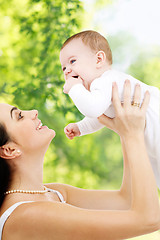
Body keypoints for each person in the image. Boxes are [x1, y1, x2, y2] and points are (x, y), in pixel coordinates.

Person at [0, 81, 159, 239]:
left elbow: (126, 202)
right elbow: (148, 220)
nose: (33, 112)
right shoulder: (27, 215)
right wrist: (133, 135)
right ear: (9, 150)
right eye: (19, 116)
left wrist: (125, 131)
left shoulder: (53, 193)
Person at [60, 30, 160, 189]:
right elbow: (99, 116)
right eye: (63, 68)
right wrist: (81, 127)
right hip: (149, 143)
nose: (67, 71)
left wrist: (74, 88)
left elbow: (93, 109)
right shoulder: (101, 92)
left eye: (72, 62)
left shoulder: (106, 80)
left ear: (99, 59)